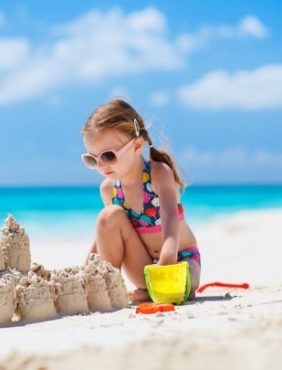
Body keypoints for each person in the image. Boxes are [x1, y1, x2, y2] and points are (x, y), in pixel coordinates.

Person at [81, 99, 200, 302]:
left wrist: (168, 257)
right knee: (108, 216)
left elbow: (170, 217)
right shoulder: (109, 189)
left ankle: (154, 292)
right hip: (143, 267)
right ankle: (106, 287)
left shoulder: (158, 174)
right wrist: (84, 271)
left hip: (180, 259)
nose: (101, 166)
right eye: (92, 159)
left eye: (108, 156)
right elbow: (103, 234)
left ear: (137, 146)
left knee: (179, 290)